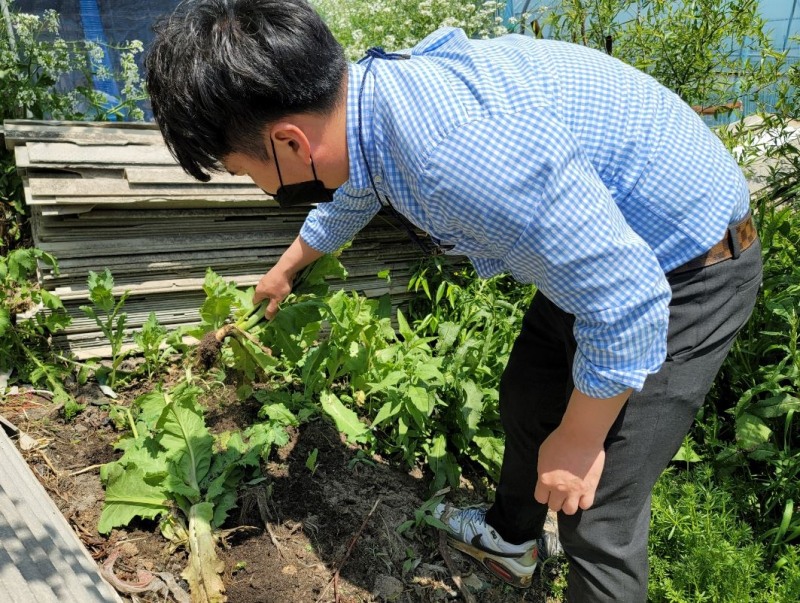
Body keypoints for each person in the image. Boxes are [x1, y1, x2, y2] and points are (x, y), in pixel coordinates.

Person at [146, 1, 762, 600]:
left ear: (288, 142)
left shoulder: (453, 157)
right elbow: (357, 187)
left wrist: (578, 442)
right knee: (527, 396)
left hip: (684, 271)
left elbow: (627, 298)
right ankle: (511, 542)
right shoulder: (363, 106)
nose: (252, 186)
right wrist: (287, 269)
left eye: (239, 170)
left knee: (595, 508)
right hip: (598, 250)